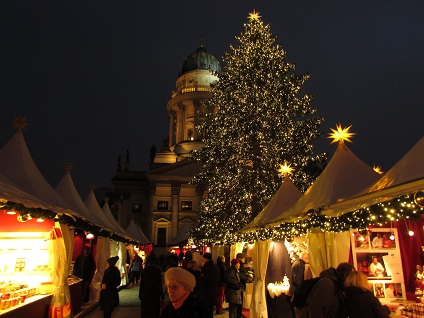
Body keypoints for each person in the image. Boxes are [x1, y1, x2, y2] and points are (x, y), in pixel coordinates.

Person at [197, 252, 219, 318]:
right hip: (213, 292)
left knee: (205, 312)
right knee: (210, 311)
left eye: (203, 258)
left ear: (206, 259)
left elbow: (202, 282)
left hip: (205, 294)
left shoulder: (206, 268)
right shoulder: (215, 267)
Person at [236, 253, 249, 318]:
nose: (244, 259)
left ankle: (238, 315)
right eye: (243, 258)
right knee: (239, 302)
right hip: (240, 286)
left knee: (239, 302)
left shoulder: (239, 264)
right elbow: (240, 275)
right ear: (240, 258)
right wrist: (247, 277)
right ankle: (238, 315)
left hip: (239, 285)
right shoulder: (240, 265)